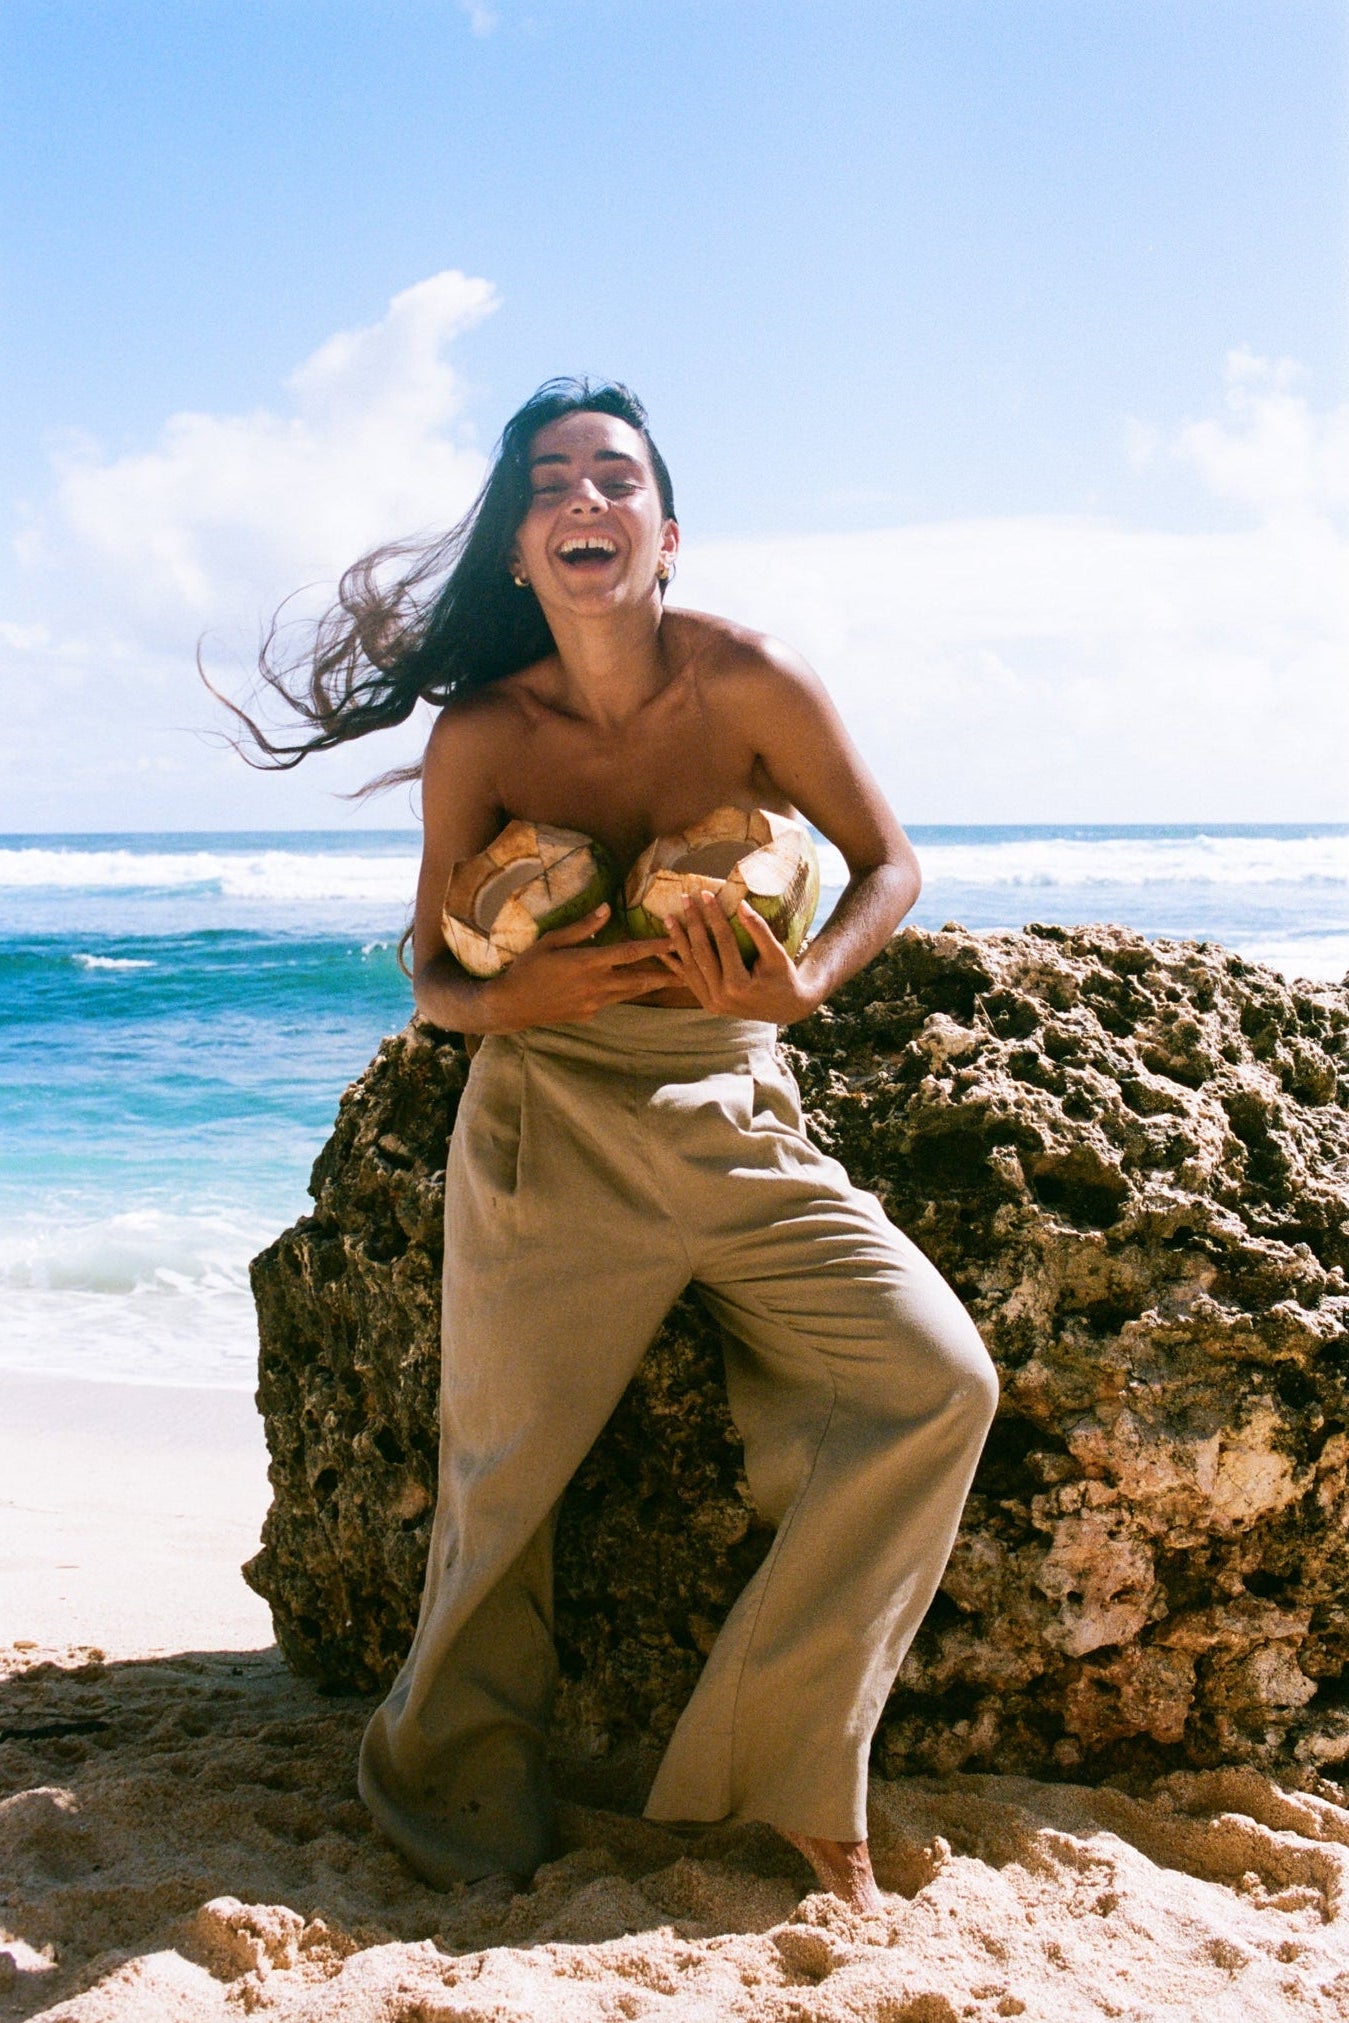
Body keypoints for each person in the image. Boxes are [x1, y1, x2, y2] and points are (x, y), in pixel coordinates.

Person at [218, 379, 998, 1912]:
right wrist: (532, 992)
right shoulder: (486, 733)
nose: (585, 497)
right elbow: (433, 975)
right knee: (500, 1481)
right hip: (545, 1119)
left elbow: (887, 864)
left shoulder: (752, 679)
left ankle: (789, 1775)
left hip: (732, 1105)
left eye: (615, 476)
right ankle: (455, 1791)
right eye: (550, 480)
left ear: (665, 531)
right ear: (520, 545)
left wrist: (807, 983)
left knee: (929, 1382)